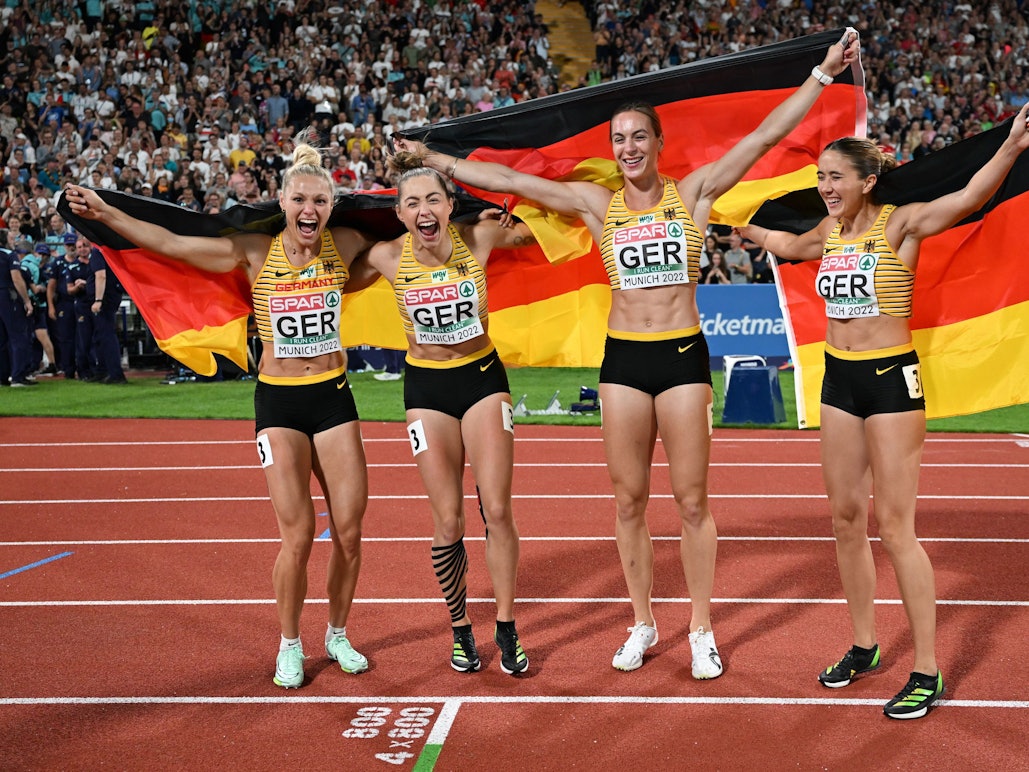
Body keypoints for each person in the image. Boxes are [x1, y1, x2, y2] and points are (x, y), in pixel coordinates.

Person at [395, 32, 859, 678]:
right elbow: (508, 178)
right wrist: (435, 161)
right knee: (628, 502)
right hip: (622, 362)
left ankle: (699, 628)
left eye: (638, 137)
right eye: (618, 140)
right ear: (610, 150)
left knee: (692, 502)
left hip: (680, 358)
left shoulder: (693, 193)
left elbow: (760, 138)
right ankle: (641, 622)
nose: (628, 148)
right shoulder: (597, 203)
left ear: (657, 144)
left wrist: (820, 74)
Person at [737, 102, 1029, 719]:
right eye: (820, 178)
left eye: (835, 177)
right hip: (839, 381)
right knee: (845, 519)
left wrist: (1011, 146)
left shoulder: (900, 224)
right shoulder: (827, 231)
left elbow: (970, 199)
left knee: (896, 528)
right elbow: (790, 244)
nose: (824, 187)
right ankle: (865, 645)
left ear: (867, 181)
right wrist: (752, 231)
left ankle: (926, 668)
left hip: (891, 380)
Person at [64, 128, 377, 689]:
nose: (310, 209)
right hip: (280, 402)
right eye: (300, 199)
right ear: (281, 203)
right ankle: (288, 643)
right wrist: (107, 213)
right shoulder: (255, 252)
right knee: (299, 534)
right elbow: (171, 244)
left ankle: (336, 633)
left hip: (334, 396)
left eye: (320, 200)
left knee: (350, 531)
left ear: (333, 206)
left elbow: (409, 240)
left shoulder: (348, 243)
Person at [352, 151, 536, 675]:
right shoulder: (387, 256)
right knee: (447, 520)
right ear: (400, 215)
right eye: (412, 202)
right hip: (426, 389)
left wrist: (509, 212)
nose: (424, 208)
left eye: (433, 197)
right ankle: (459, 630)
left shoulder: (478, 239)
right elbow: (329, 275)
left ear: (450, 204)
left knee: (496, 510)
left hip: (482, 378)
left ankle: (505, 626)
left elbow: (540, 230)